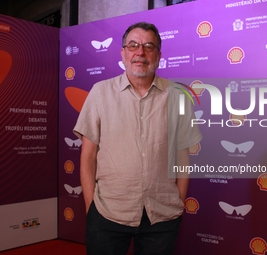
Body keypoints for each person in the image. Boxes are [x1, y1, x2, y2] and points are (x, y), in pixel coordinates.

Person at [73, 21, 202, 255]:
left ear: (159, 55)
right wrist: (91, 207)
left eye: (148, 46)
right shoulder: (100, 92)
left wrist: (178, 202)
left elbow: (183, 157)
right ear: (123, 53)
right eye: (133, 45)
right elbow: (88, 156)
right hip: (108, 213)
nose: (140, 52)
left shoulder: (178, 97)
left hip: (162, 216)